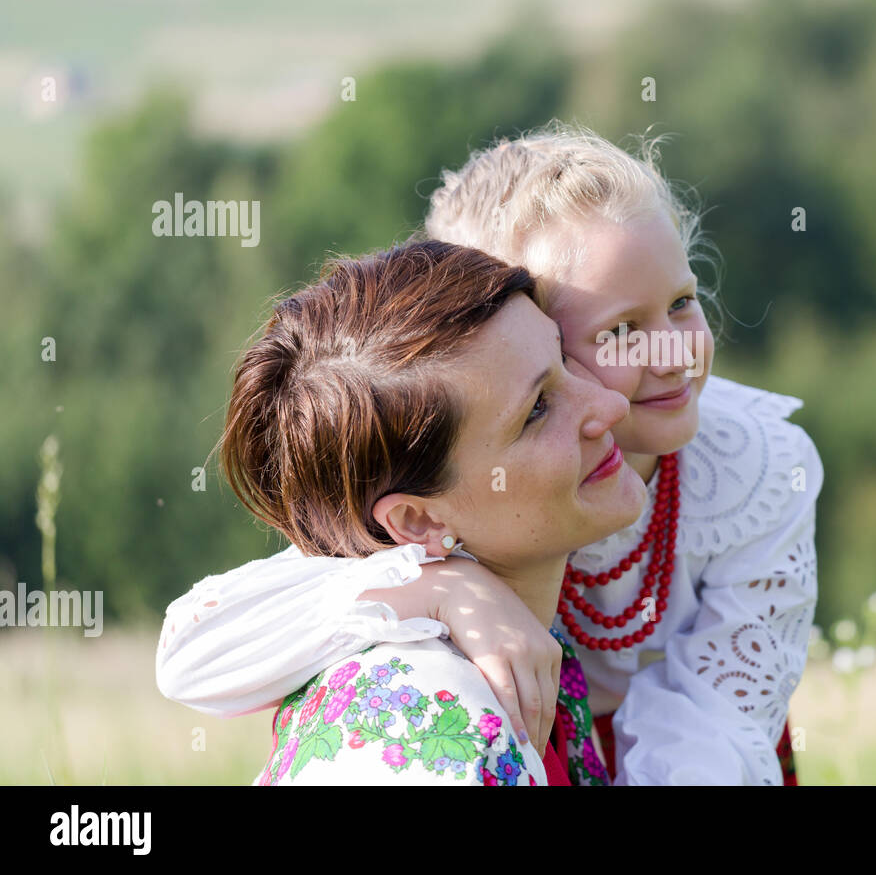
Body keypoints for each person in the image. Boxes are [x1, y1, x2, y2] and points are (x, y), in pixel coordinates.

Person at [158, 121, 822, 784]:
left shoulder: (753, 468)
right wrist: (436, 586)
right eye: (619, 332)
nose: (673, 353)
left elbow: (720, 718)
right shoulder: (454, 469)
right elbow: (196, 648)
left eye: (682, 303)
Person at [213, 239, 642, 783]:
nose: (610, 405)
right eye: (537, 410)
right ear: (419, 522)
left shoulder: (525, 645)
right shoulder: (420, 733)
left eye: (562, 357)